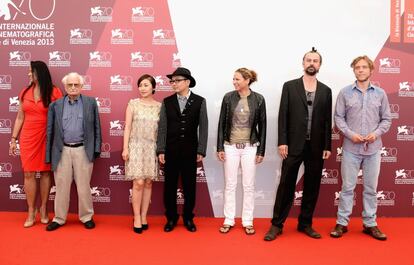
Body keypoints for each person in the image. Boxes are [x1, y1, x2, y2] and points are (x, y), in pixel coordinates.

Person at [264, 48, 332, 241]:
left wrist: (327, 145)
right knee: (286, 185)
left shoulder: (326, 91)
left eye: (315, 61)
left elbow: (327, 121)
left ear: (319, 65)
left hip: (317, 146)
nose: (312, 63)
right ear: (303, 64)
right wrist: (282, 141)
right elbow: (283, 115)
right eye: (308, 60)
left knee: (312, 186)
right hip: (293, 144)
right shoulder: (290, 86)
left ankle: (305, 224)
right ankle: (277, 225)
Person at [330, 55, 392, 241]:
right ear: (354, 70)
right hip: (350, 149)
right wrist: (350, 134)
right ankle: (342, 223)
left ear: (371, 70)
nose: (361, 70)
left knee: (371, 189)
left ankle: (370, 224)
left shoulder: (381, 94)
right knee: (347, 187)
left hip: (373, 149)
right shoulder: (345, 93)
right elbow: (338, 118)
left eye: (365, 67)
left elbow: (387, 119)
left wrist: (376, 133)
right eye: (358, 67)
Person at [45, 72, 102, 231]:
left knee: (84, 186)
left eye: (76, 84)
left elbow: (97, 127)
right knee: (61, 186)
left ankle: (86, 217)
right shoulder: (55, 105)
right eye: (70, 85)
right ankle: (59, 218)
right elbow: (50, 131)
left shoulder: (90, 103)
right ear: (65, 86)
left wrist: (96, 149)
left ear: (82, 86)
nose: (73, 87)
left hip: (83, 150)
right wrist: (49, 155)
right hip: (61, 150)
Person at [9, 61, 63, 228]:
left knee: (46, 174)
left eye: (31, 72)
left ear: (39, 72)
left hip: (47, 137)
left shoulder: (54, 91)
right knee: (29, 174)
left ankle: (44, 209)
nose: (28, 75)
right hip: (28, 137)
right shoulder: (25, 91)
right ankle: (31, 211)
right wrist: (13, 139)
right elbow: (20, 117)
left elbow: (60, 117)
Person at [156, 67, 208, 232]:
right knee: (169, 186)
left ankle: (188, 218)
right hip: (170, 151)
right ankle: (171, 218)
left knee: (189, 186)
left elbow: (204, 128)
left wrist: (201, 149)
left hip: (190, 152)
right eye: (172, 81)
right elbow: (162, 127)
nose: (173, 84)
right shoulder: (167, 101)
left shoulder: (200, 101)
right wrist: (161, 150)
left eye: (177, 80)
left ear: (187, 82)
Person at [217, 68, 266, 235]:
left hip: (250, 147)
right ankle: (228, 220)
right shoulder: (228, 98)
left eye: (237, 79)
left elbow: (263, 126)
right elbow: (221, 124)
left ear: (247, 80)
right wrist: (219, 147)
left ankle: (247, 221)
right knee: (230, 185)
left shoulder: (259, 99)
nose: (234, 82)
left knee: (248, 186)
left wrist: (261, 150)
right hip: (230, 146)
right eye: (233, 79)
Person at [122, 74, 161, 234]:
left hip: (152, 147)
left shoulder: (159, 106)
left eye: (146, 85)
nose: (142, 88)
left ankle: (144, 216)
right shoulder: (133, 104)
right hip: (136, 146)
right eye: (140, 85)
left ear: (153, 87)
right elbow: (128, 128)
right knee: (138, 182)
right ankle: (136, 216)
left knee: (148, 182)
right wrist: (125, 148)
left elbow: (161, 131)